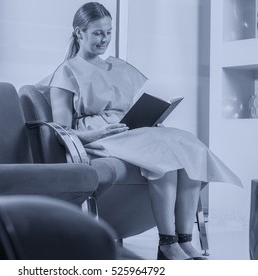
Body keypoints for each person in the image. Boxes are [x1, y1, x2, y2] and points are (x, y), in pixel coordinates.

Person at [40, 2, 242, 260]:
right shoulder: (66, 72)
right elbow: (63, 130)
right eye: (98, 33)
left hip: (129, 131)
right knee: (163, 158)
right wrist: (94, 135)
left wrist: (151, 118)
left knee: (189, 146)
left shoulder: (116, 67)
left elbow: (126, 111)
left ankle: (184, 240)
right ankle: (167, 244)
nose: (105, 39)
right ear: (79, 33)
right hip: (100, 137)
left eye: (109, 32)